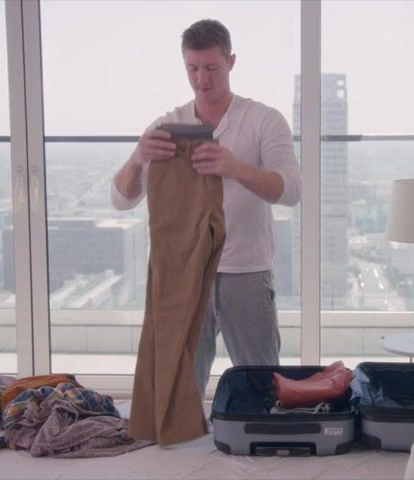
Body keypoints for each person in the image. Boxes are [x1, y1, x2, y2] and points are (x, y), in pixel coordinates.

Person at [111, 19, 301, 398]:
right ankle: (186, 438)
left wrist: (234, 167)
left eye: (211, 67)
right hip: (185, 274)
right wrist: (137, 158)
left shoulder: (263, 120)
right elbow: (122, 199)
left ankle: (256, 433)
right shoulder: (168, 125)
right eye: (193, 68)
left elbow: (291, 191)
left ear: (231, 62)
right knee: (181, 389)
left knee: (260, 385)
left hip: (245, 270)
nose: (201, 79)